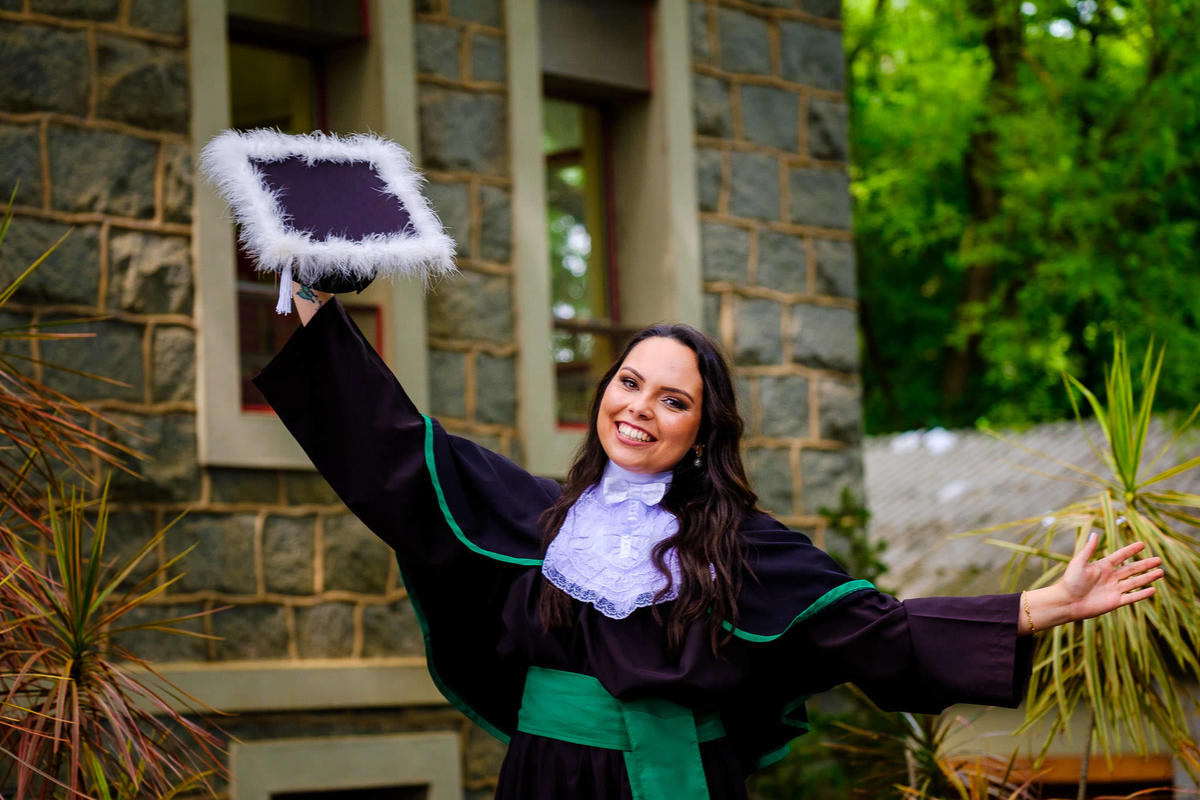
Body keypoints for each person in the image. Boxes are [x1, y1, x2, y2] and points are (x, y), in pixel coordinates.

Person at [255, 283, 1164, 800]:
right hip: (546, 782)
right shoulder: (536, 516)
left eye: (673, 399)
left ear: (702, 430)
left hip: (675, 784)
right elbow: (403, 459)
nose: (639, 408)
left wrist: (1037, 606)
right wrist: (313, 317)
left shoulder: (742, 548)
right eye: (629, 383)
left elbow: (870, 630)